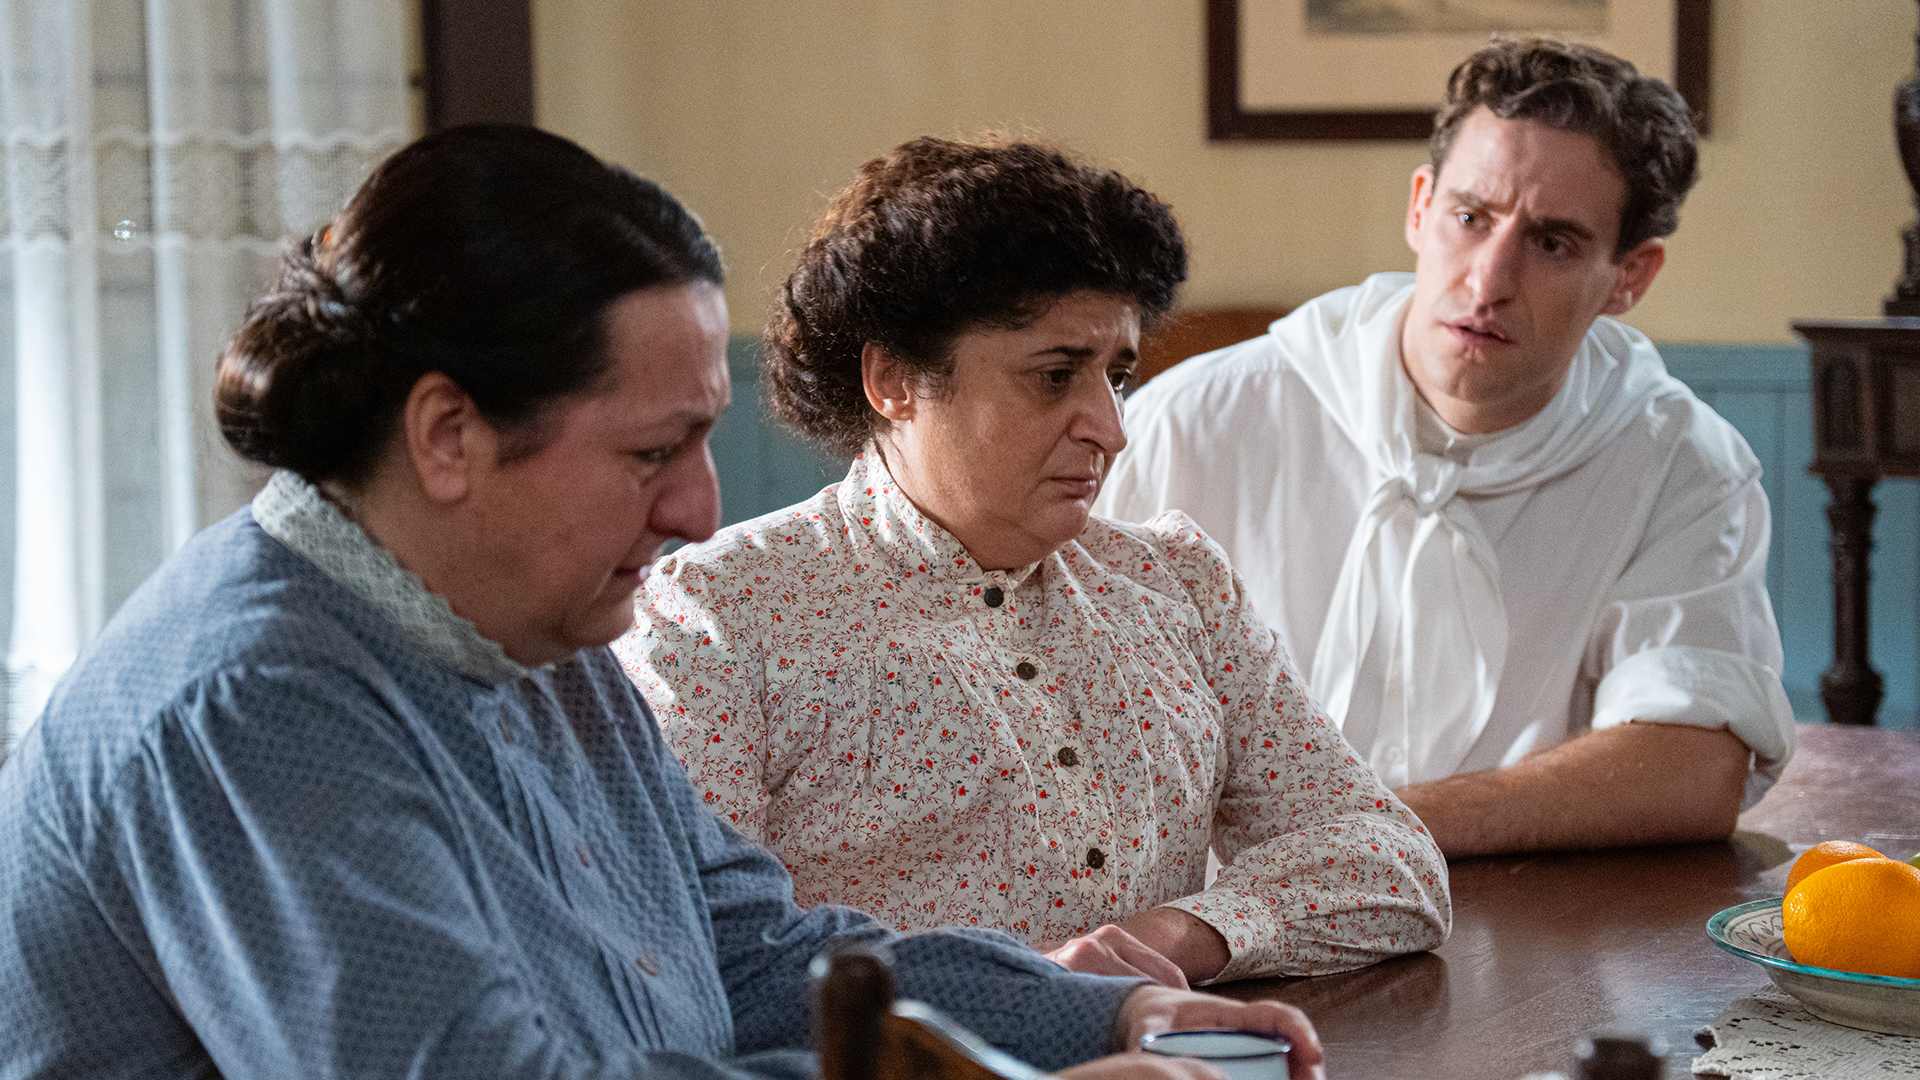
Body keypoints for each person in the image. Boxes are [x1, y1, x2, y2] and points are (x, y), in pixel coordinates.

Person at [0, 125, 1327, 1080]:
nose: (700, 508)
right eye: (652, 452)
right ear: (449, 436)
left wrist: (1103, 1015)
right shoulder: (257, 701)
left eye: (702, 439)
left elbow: (751, 954)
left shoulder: (536, 632)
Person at [616, 135, 1449, 991]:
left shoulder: (1176, 584)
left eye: (1116, 376)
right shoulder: (721, 619)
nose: (1111, 429)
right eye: (1055, 376)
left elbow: (1394, 862)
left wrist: (1181, 934)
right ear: (893, 378)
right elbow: (694, 958)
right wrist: (1021, 1001)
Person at [1096, 39, 1795, 860]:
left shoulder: (1682, 466)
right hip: (1205, 911)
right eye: (1471, 218)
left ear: (1629, 277)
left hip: (1532, 913)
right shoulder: (1192, 421)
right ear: (1421, 208)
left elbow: (1691, 766)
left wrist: (1364, 830)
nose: (1488, 281)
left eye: (1553, 243)